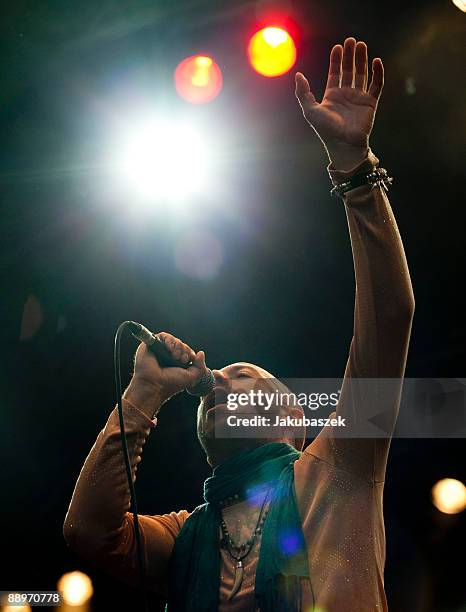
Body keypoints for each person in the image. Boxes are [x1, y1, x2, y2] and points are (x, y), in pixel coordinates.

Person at [63, 37, 415, 611]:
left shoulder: (338, 467)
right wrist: (145, 391)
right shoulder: (187, 535)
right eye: (226, 375)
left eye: (247, 374)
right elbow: (88, 535)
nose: (222, 380)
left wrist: (353, 168)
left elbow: (391, 315)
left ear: (297, 421)